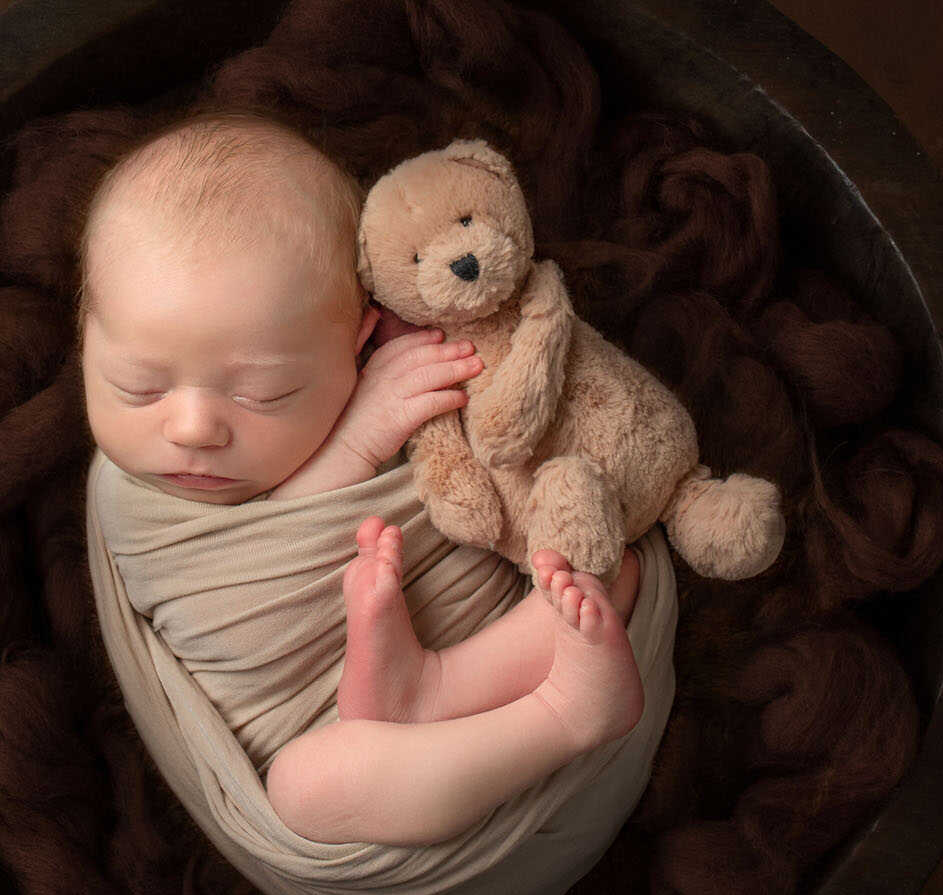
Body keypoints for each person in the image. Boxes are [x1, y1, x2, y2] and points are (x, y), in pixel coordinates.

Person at [77, 106, 645, 847]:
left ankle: (436, 687)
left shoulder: (403, 369)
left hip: (480, 669)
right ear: (85, 335)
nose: (191, 430)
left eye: (264, 394)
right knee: (306, 785)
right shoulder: (126, 497)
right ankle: (563, 719)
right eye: (137, 386)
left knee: (609, 565)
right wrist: (351, 446)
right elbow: (248, 582)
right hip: (367, 778)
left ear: (361, 337)